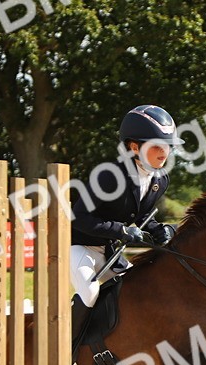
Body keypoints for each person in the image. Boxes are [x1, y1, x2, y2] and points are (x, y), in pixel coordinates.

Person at [69, 105, 181, 308]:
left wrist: (159, 230)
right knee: (90, 293)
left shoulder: (161, 179)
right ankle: (71, 339)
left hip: (109, 251)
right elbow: (78, 217)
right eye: (157, 146)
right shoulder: (110, 176)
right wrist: (120, 230)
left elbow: (142, 215)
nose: (165, 152)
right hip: (79, 247)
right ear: (134, 147)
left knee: (140, 288)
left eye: (169, 146)